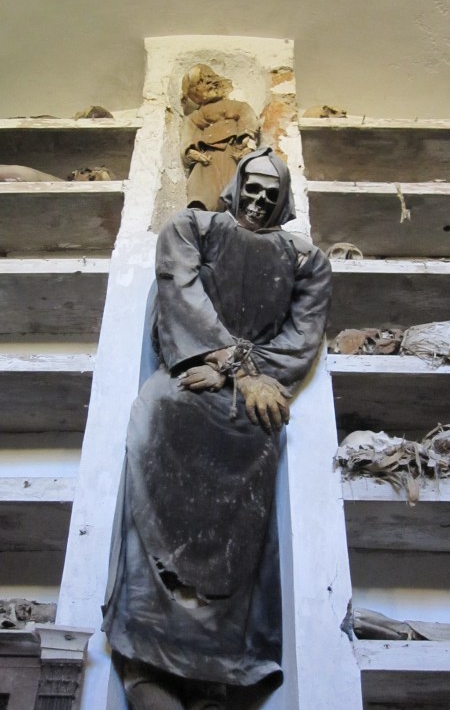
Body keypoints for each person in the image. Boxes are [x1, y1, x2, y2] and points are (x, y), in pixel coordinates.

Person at [103, 147, 332, 710]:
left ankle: (217, 676)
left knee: (239, 547)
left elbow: (301, 339)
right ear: (234, 184)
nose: (257, 199)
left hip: (248, 420)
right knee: (150, 528)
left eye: (268, 191)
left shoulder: (308, 260)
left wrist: (241, 376)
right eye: (250, 186)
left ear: (282, 197)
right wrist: (233, 364)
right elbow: (179, 295)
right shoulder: (191, 227)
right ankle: (146, 658)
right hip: (182, 395)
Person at [181, 64, 259, 211]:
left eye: (210, 81)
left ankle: (236, 210)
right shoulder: (195, 116)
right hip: (208, 157)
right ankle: (201, 209)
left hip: (232, 153)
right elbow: (188, 133)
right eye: (202, 84)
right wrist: (190, 151)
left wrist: (247, 140)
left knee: (234, 182)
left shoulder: (235, 106)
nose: (210, 86)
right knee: (203, 185)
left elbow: (246, 115)